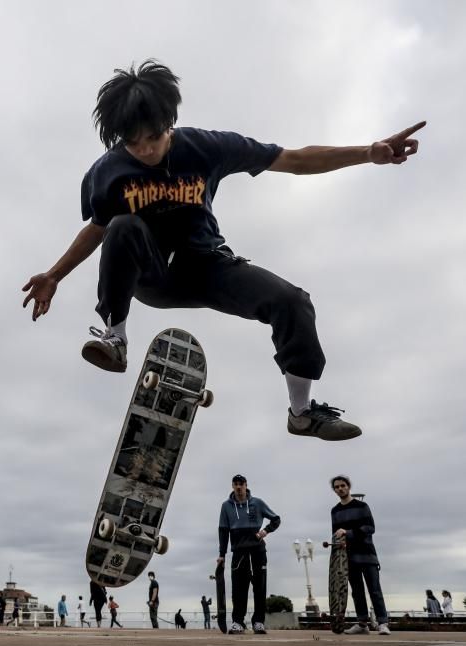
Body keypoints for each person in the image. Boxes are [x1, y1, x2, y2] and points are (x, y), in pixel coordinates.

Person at [22, 59, 426, 442]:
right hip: (152, 276)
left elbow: (294, 160)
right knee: (122, 226)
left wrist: (366, 154)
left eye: (154, 138)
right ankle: (115, 337)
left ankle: (302, 414)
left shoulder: (206, 147)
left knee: (292, 302)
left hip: (207, 266)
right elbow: (97, 229)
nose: (145, 150)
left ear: (170, 125)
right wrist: (54, 275)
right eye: (134, 143)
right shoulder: (106, 171)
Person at [218, 474, 280, 635]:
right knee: (239, 587)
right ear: (232, 486)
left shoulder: (257, 503)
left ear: (246, 485)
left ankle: (258, 622)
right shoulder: (226, 506)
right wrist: (222, 554)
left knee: (260, 586)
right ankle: (238, 622)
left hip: (258, 550)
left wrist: (265, 531)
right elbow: (223, 531)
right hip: (239, 551)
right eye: (235, 484)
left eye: (241, 484)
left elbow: (276, 519)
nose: (239, 487)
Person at [330, 475, 390, 635]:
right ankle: (362, 623)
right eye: (337, 487)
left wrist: (348, 533)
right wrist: (338, 544)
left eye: (343, 485)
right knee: (356, 591)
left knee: (375, 590)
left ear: (348, 486)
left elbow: (370, 528)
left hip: (367, 555)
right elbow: (335, 534)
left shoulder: (362, 506)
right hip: (348, 557)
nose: (340, 489)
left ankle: (382, 623)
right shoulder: (334, 511)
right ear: (334, 490)